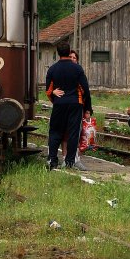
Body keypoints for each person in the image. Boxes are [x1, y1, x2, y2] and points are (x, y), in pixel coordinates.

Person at [44, 42, 92, 170]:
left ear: (58, 52)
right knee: (73, 133)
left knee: (55, 132)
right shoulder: (77, 69)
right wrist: (85, 104)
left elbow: (48, 90)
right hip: (75, 103)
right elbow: (85, 89)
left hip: (59, 104)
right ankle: (70, 161)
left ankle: (52, 160)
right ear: (69, 51)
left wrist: (55, 98)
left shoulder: (52, 69)